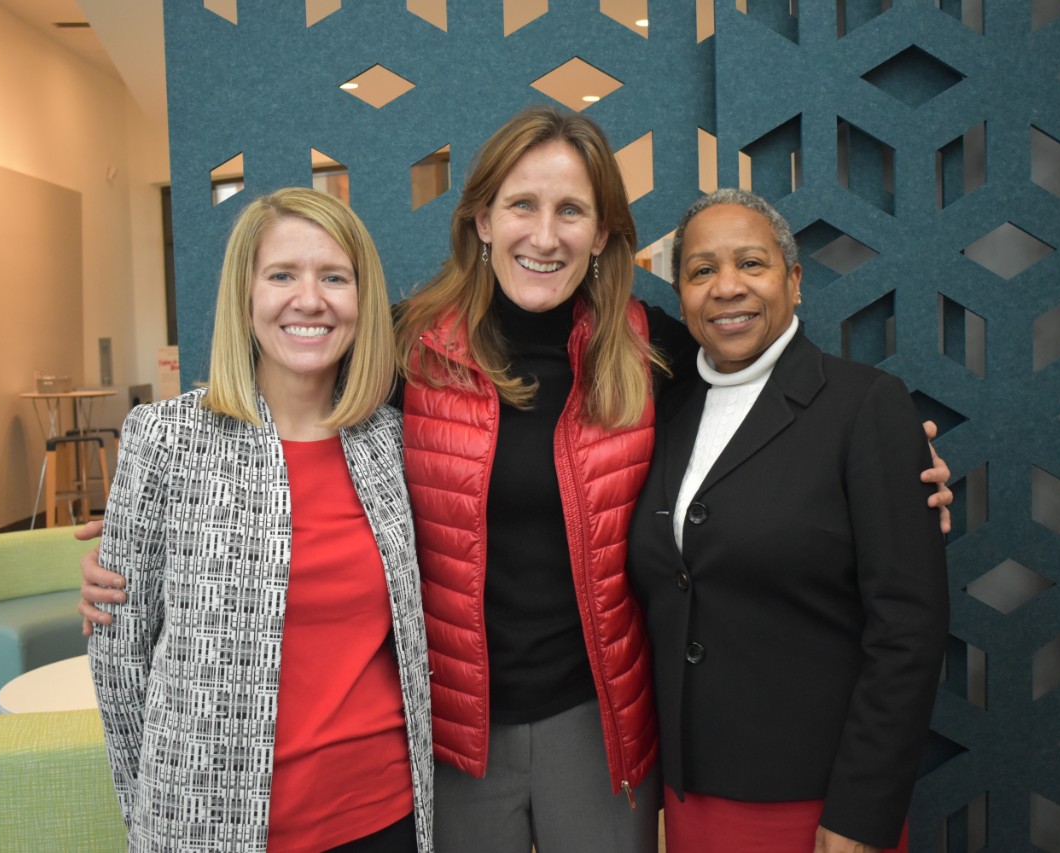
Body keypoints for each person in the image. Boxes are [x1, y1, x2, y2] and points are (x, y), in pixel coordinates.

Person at [81, 108, 952, 853]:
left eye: (571, 209)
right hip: (453, 730)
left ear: (604, 232)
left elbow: (764, 413)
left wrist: (891, 472)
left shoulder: (653, 347)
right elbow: (289, 398)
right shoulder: (406, 346)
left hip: (601, 724)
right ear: (483, 220)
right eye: (522, 205)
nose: (545, 233)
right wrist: (153, 515)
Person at [87, 188, 432, 853]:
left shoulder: (391, 441)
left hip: (382, 814)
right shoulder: (166, 438)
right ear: (245, 297)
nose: (310, 299)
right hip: (212, 823)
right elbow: (118, 656)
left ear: (361, 299)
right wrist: (152, 812)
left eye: (335, 277)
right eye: (282, 275)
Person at [625, 188, 950, 853]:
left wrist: (863, 811)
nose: (727, 287)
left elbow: (908, 630)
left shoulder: (865, 406)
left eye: (751, 263)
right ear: (681, 294)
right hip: (694, 796)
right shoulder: (664, 409)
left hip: (820, 800)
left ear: (794, 280)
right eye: (701, 271)